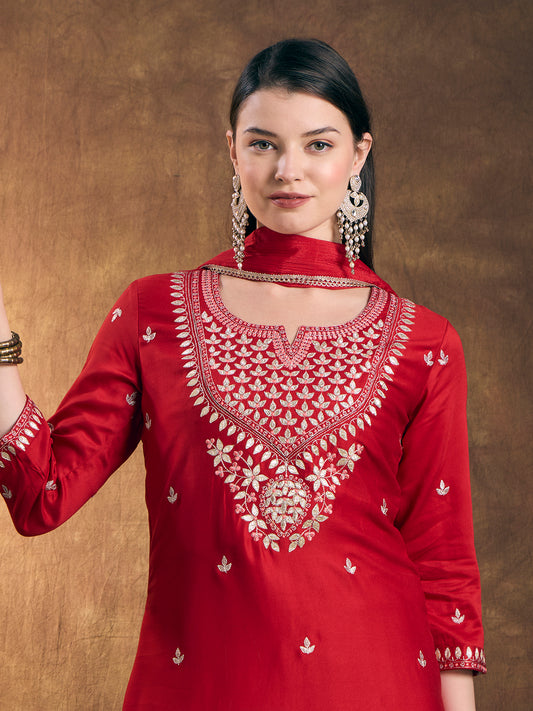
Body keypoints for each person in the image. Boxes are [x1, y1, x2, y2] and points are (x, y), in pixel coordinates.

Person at [0, 39, 485, 710]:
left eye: (318, 145)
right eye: (263, 144)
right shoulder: (154, 313)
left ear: (358, 155)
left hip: (377, 682)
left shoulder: (424, 342)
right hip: (199, 682)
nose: (288, 170)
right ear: (233, 151)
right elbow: (42, 495)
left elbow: (442, 564)